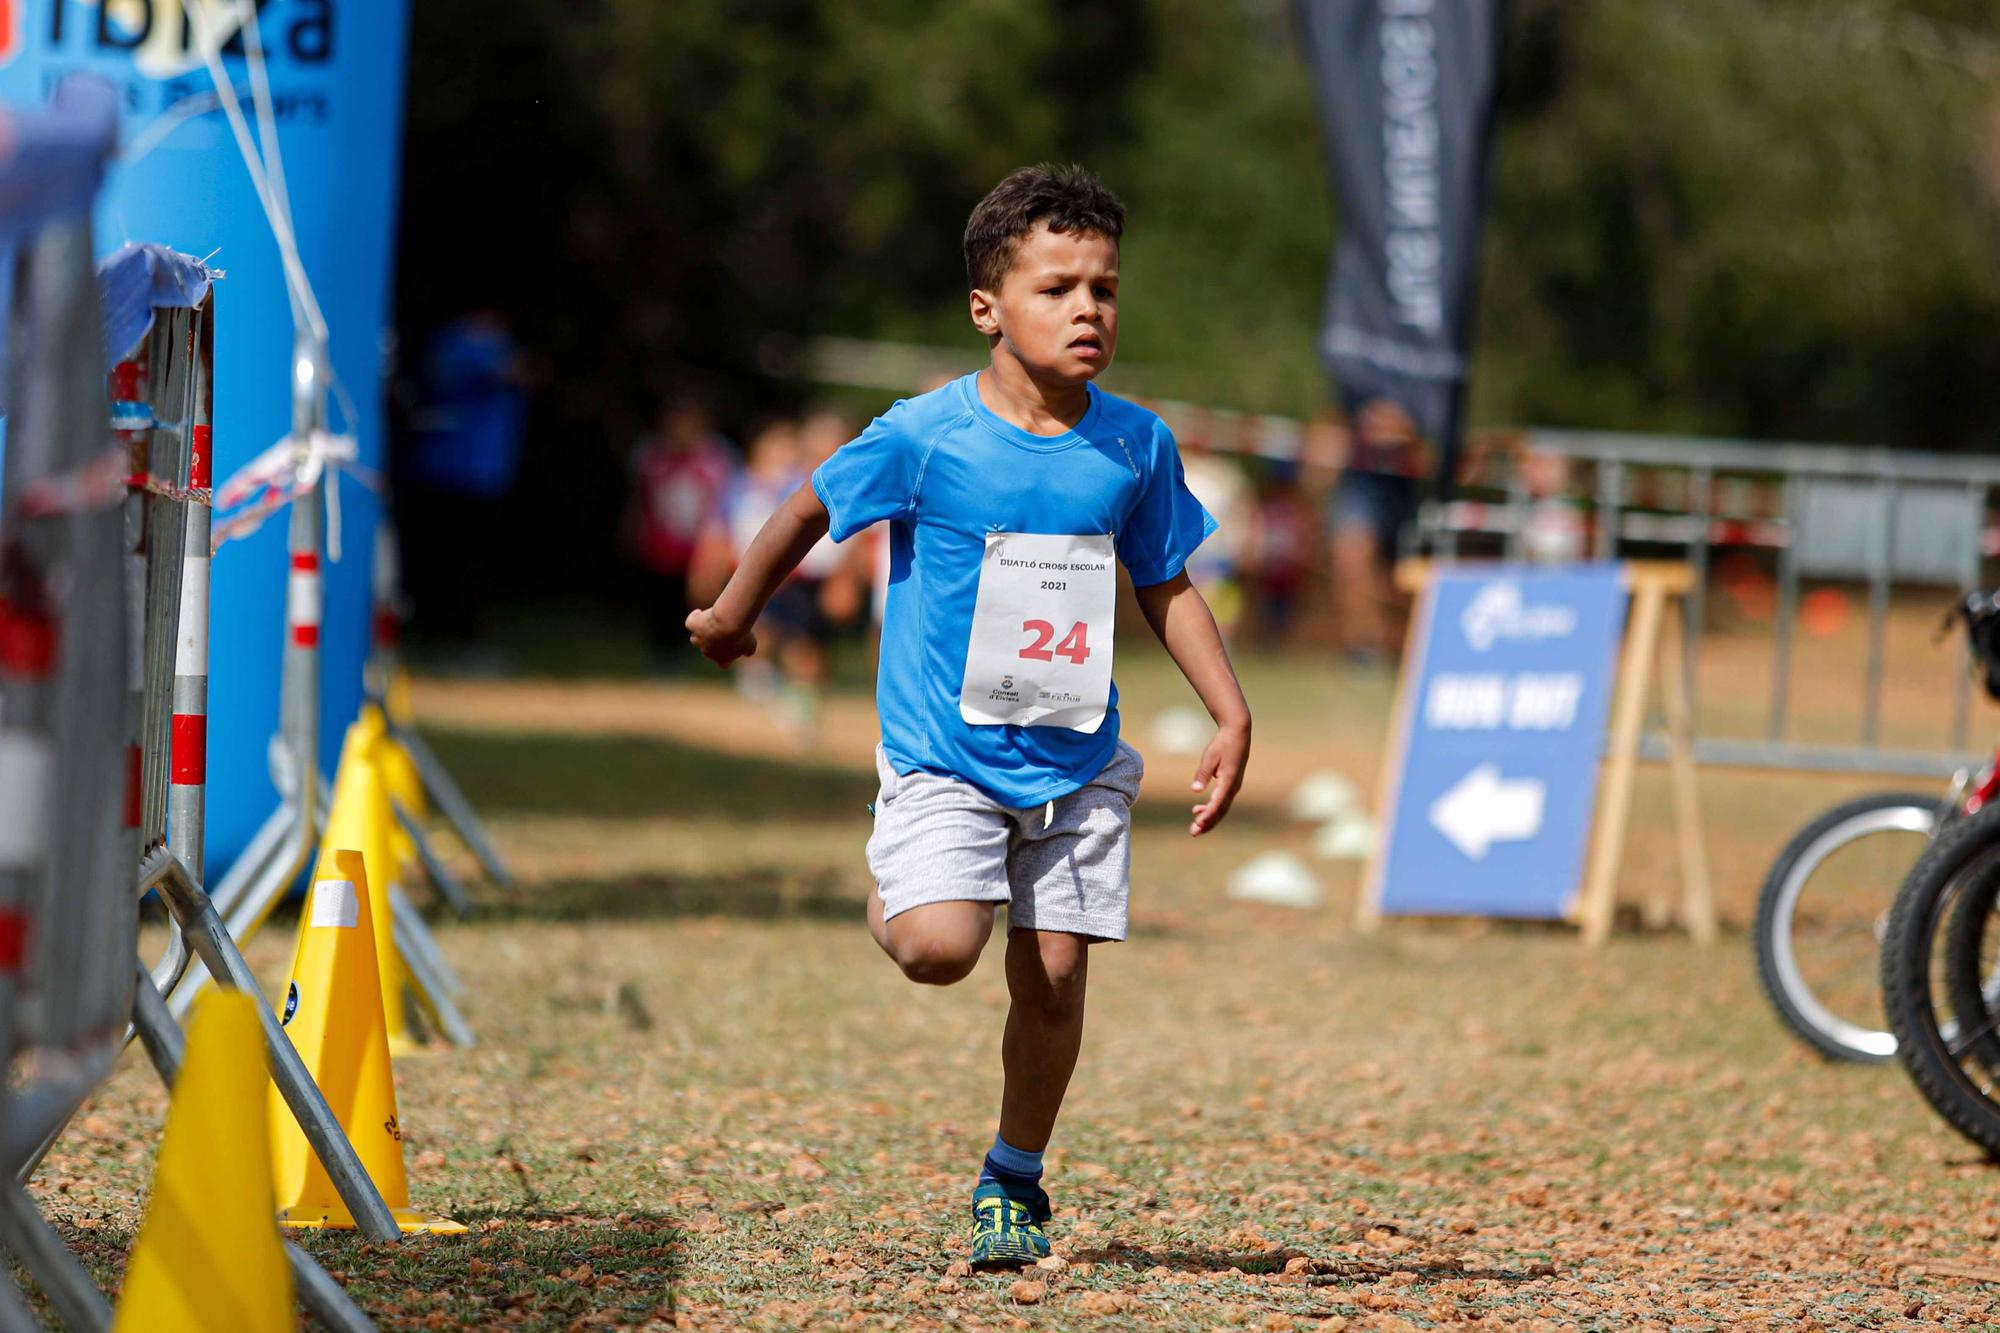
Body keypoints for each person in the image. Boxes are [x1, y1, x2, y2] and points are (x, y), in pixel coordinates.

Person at [685, 164, 1251, 1266]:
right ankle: (900, 887)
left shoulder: (1135, 445)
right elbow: (809, 504)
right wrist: (733, 613)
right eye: (1056, 288)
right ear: (988, 308)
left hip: (1077, 756)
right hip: (945, 757)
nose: (1087, 308)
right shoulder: (925, 435)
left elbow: (1166, 580)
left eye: (1104, 288)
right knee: (941, 948)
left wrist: (1227, 713)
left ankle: (1014, 1177)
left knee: (1054, 973)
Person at [625, 392, 733, 669]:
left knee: (697, 599)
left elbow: (727, 502)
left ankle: (693, 652)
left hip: (700, 546)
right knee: (659, 598)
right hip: (659, 544)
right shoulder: (650, 453)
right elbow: (640, 497)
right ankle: (662, 654)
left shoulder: (718, 457)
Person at [1326, 394, 1427, 665]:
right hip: (1359, 477)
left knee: (1402, 578)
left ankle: (1402, 650)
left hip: (1405, 485)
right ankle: (1363, 649)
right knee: (1353, 560)